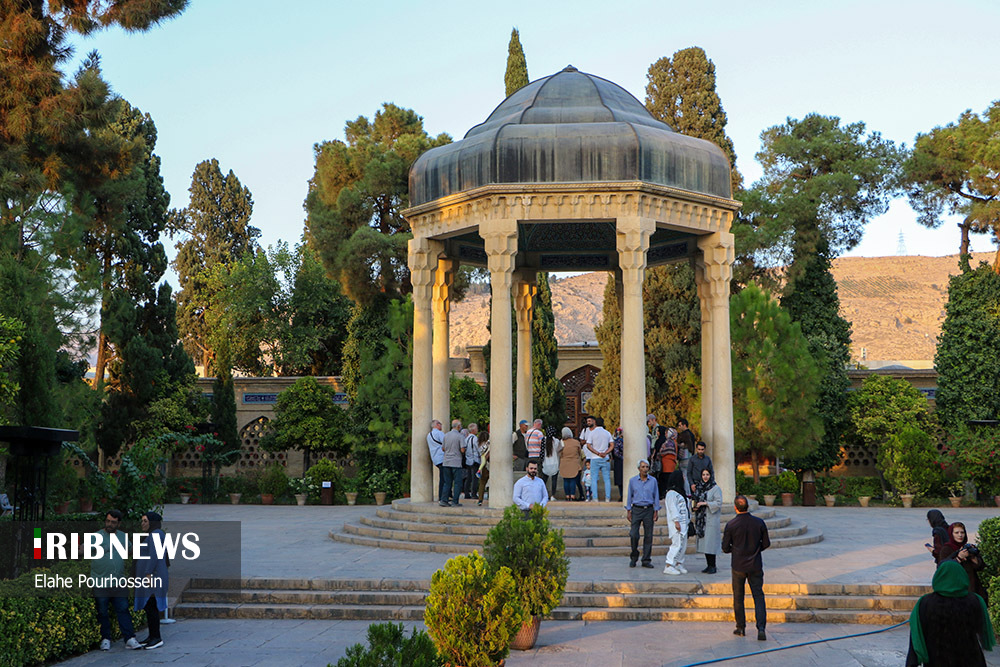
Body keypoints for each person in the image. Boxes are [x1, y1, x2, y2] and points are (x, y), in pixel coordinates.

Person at [905, 560, 995, 666]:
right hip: (971, 659)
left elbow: (916, 639)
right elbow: (983, 631)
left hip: (936, 660)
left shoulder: (925, 603)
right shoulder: (976, 601)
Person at [722, 494, 771, 641]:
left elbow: (725, 547)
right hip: (755, 564)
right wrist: (755, 550)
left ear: (735, 507)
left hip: (738, 565)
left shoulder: (731, 525)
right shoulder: (759, 523)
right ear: (747, 506)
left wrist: (735, 550)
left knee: (738, 597)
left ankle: (741, 627)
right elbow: (766, 543)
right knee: (758, 596)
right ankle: (761, 628)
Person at [92, 510, 142, 651]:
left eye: (113, 522)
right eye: (108, 521)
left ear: (119, 523)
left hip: (119, 581)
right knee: (102, 611)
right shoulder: (96, 536)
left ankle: (129, 638)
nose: (109, 524)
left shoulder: (122, 537)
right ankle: (105, 638)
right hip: (100, 581)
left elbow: (131, 550)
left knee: (123, 609)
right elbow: (84, 549)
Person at [134, 511, 168, 649]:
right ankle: (152, 636)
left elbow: (154, 555)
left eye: (145, 521)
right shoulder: (153, 534)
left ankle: (157, 637)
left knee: (151, 605)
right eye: (142, 521)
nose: (142, 524)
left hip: (153, 577)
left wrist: (148, 574)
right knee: (149, 606)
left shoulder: (156, 535)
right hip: (151, 576)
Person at [940, 521, 989, 604]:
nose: (960, 535)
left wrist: (972, 556)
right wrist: (959, 558)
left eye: (962, 532)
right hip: (955, 589)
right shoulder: (946, 549)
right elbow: (943, 568)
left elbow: (980, 567)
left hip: (972, 587)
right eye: (956, 532)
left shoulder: (968, 548)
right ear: (951, 534)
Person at [625, 459, 660, 569]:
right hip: (636, 509)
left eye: (646, 467)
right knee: (633, 534)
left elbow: (656, 496)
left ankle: (646, 559)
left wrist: (656, 510)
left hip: (648, 509)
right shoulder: (633, 481)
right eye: (643, 467)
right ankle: (634, 556)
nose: (645, 469)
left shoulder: (653, 481)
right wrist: (628, 510)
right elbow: (629, 496)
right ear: (639, 468)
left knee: (648, 535)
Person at [693, 468, 723, 574]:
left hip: (711, 519)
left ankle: (713, 565)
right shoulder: (699, 488)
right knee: (705, 544)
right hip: (702, 520)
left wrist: (706, 503)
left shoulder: (715, 488)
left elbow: (718, 503)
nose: (705, 477)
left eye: (707, 474)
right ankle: (708, 565)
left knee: (711, 544)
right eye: (703, 474)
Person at [662, 469, 690, 576]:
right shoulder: (671, 494)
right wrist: (676, 521)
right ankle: (669, 565)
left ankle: (679, 563)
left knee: (683, 545)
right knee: (676, 544)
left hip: (684, 523)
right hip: (677, 524)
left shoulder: (681, 492)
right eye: (682, 476)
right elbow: (673, 508)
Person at [585, 416, 613, 502]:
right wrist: (606, 452)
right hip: (605, 458)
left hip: (595, 457)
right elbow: (612, 445)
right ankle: (607, 498)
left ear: (595, 423)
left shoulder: (592, 433)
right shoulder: (607, 433)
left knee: (593, 478)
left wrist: (597, 452)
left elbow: (588, 445)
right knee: (607, 479)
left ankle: (595, 498)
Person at [439, 419, 466, 507]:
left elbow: (443, 448)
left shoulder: (446, 435)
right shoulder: (460, 436)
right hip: (456, 462)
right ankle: (455, 501)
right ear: (458, 426)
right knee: (457, 483)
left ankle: (444, 500)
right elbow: (462, 449)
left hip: (446, 462)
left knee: (447, 482)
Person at [558, 426, 583, 501]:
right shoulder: (576, 442)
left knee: (566, 480)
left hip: (564, 462)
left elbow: (559, 453)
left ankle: (567, 496)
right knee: (572, 479)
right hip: (574, 462)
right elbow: (579, 453)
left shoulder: (561, 442)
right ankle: (572, 495)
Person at [540, 426, 562, 501]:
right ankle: (552, 495)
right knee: (554, 481)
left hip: (546, 463)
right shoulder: (556, 441)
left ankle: (541, 494)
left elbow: (542, 452)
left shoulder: (543, 440)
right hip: (555, 463)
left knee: (544, 481)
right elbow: (560, 450)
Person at [426, 420, 445, 501]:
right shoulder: (439, 433)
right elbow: (446, 443)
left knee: (443, 477)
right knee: (444, 479)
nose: (441, 426)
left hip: (435, 458)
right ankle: (443, 496)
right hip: (442, 457)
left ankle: (443, 496)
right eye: (440, 424)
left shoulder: (429, 435)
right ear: (437, 425)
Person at [676, 418, 696, 491]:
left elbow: (684, 445)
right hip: (690, 457)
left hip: (685, 458)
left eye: (680, 425)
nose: (679, 427)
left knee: (684, 476)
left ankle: (687, 493)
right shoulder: (691, 434)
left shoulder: (684, 435)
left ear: (684, 425)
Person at [463, 423, 481, 499]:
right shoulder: (475, 439)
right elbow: (479, 449)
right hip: (474, 460)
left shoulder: (466, 439)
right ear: (473, 430)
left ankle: (466, 492)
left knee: (468, 477)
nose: (477, 430)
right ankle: (474, 493)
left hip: (468, 460)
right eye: (476, 428)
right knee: (475, 478)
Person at [476, 430, 490, 506]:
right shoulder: (488, 444)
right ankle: (490, 497)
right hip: (489, 464)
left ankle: (480, 499)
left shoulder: (479, 445)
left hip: (482, 465)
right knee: (491, 482)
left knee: (482, 483)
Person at [611, 427, 625, 501]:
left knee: (620, 480)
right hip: (621, 462)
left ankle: (622, 495)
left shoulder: (616, 442)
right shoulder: (621, 441)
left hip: (619, 462)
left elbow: (616, 453)